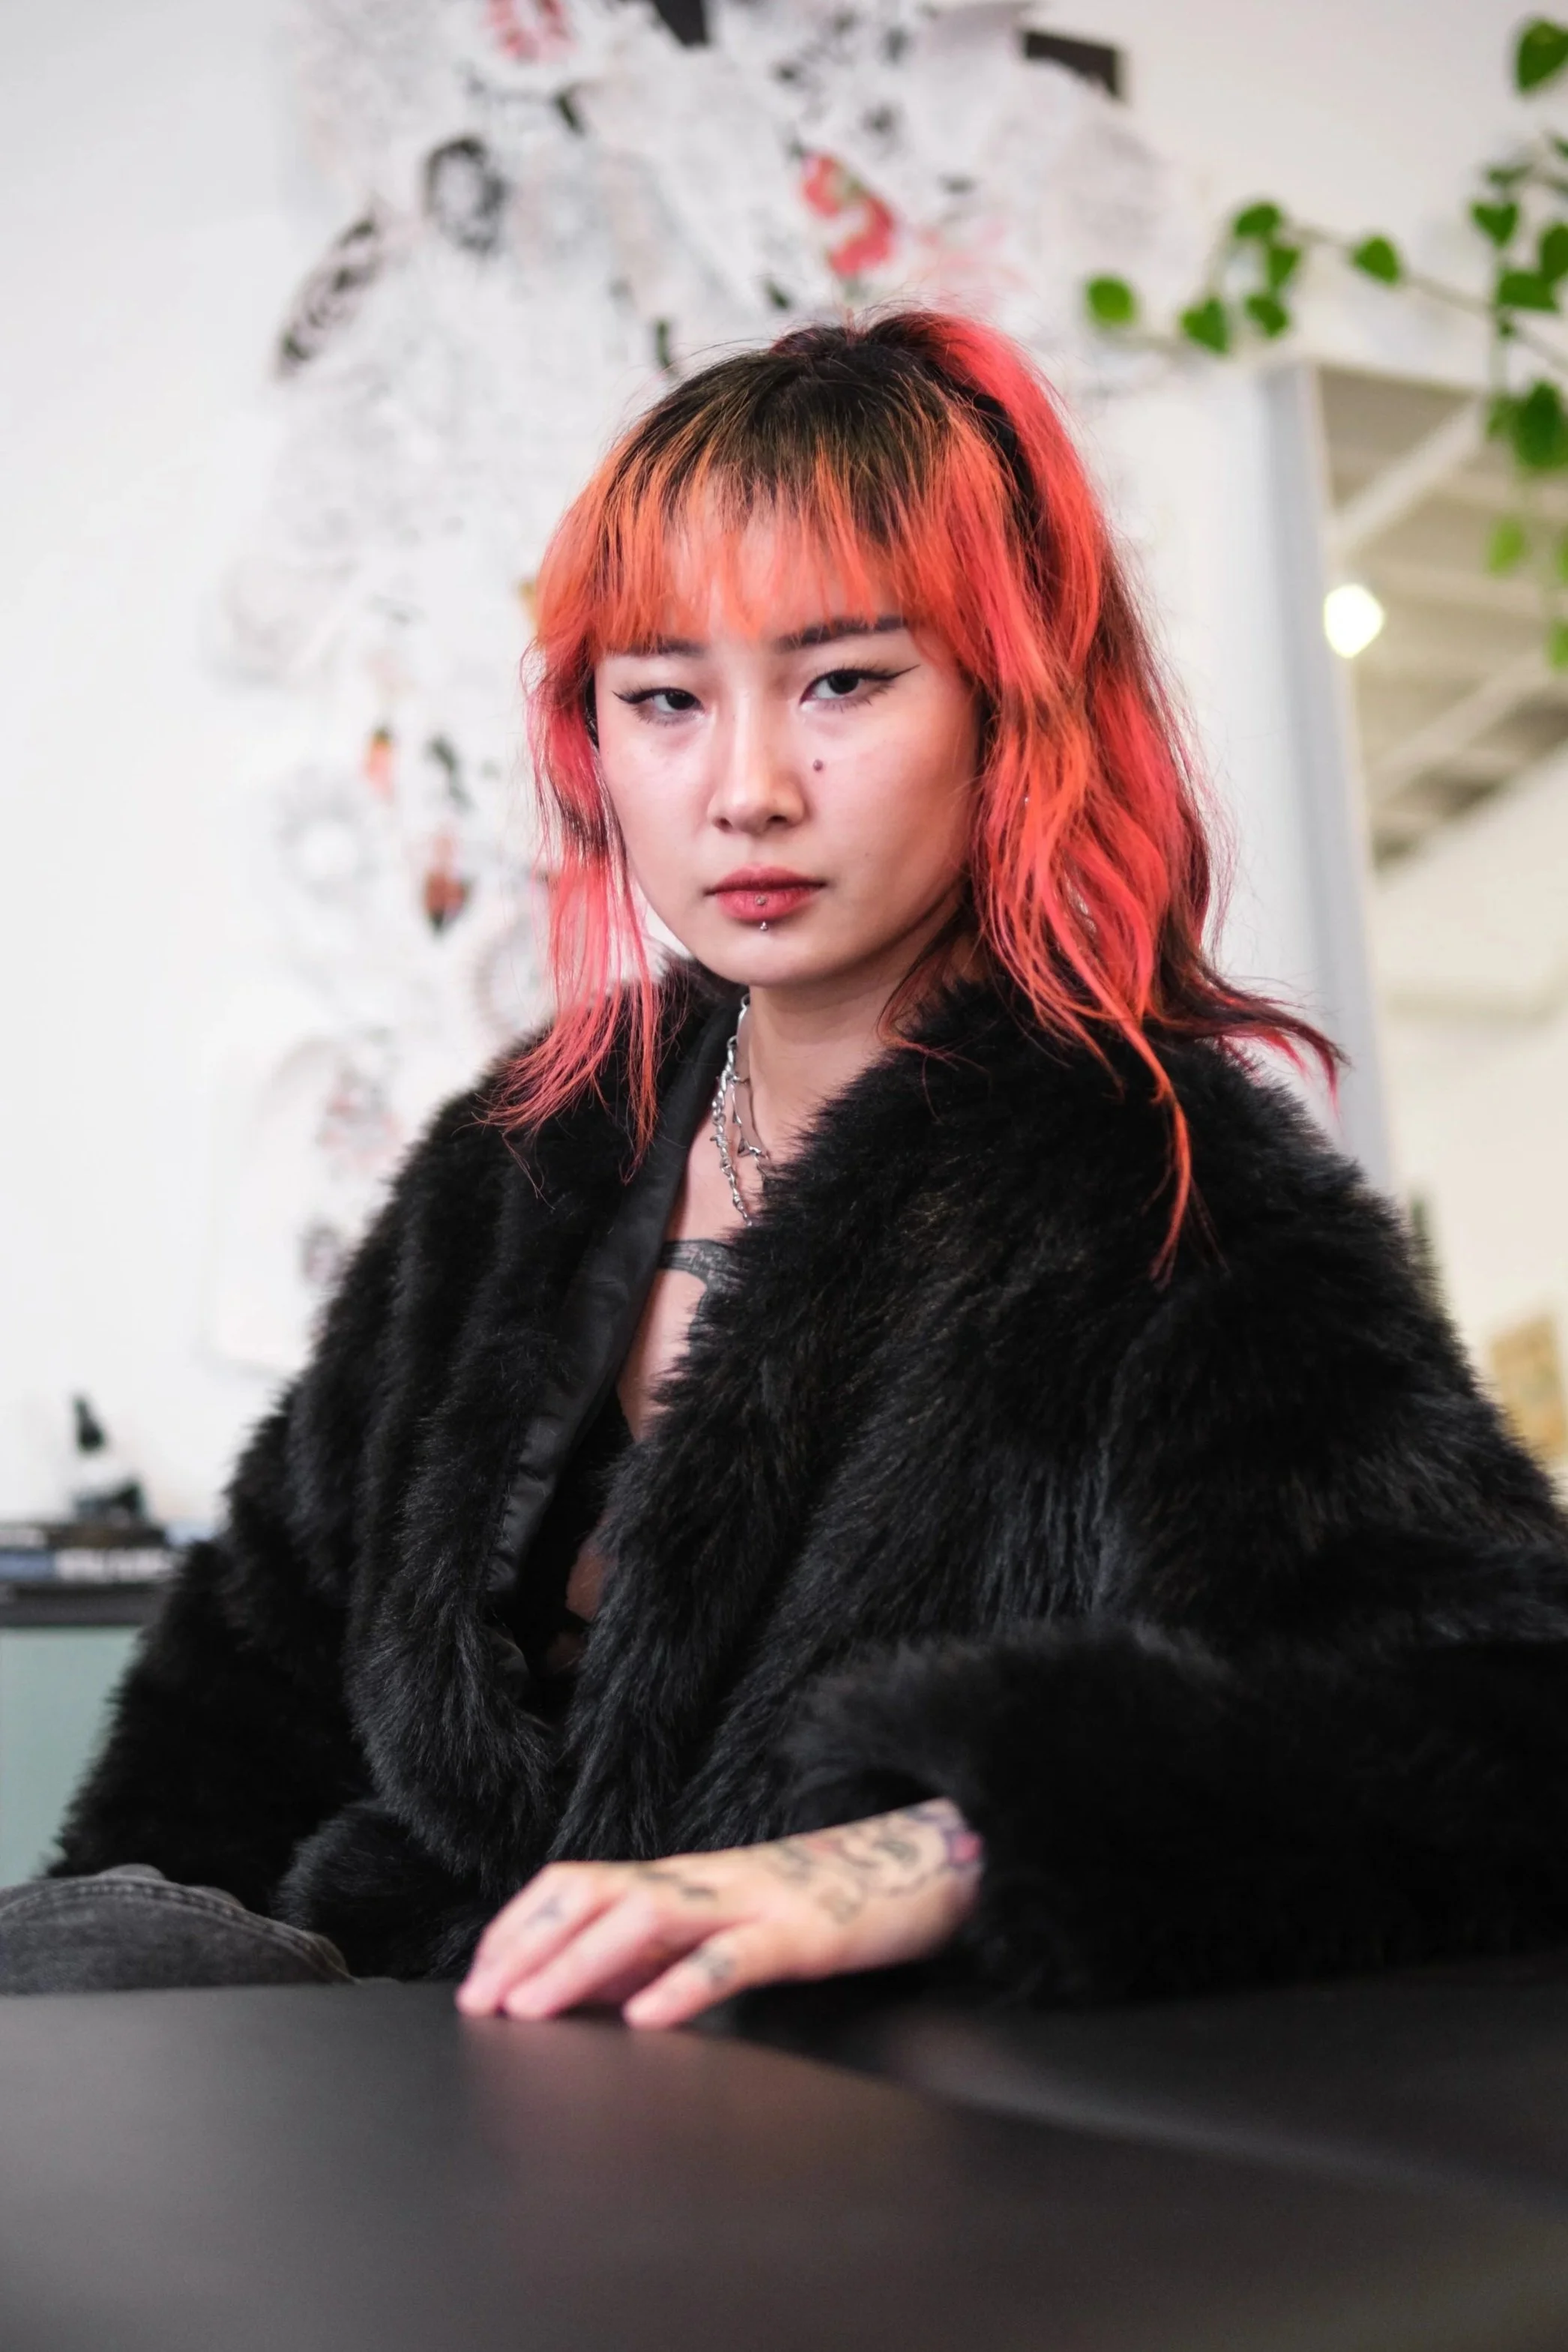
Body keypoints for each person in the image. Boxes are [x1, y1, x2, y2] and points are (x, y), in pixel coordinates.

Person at [19, 308, 1568, 2024]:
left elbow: (1505, 1724)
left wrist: (930, 1846)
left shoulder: (1166, 1192)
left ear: (1005, 707)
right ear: (592, 740)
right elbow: (231, 1717)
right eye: (665, 699)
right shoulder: (518, 1163)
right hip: (404, 2123)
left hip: (844, 2170)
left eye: (841, 681)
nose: (746, 788)